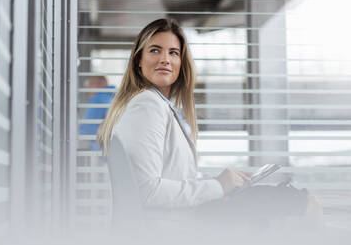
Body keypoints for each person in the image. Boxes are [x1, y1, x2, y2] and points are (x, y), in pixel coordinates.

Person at [97, 18, 318, 228]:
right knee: (302, 204)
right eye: (155, 50)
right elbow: (147, 191)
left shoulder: (158, 105)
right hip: (176, 227)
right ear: (138, 61)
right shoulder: (147, 106)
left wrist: (220, 186)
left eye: (173, 53)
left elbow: (173, 177)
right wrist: (218, 186)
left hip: (187, 216)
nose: (165, 58)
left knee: (291, 205)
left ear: (181, 64)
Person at [79, 76, 115, 150]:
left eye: (89, 87)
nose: (88, 93)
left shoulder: (98, 99)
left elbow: (88, 129)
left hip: (102, 149)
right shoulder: (111, 97)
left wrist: (79, 127)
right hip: (113, 147)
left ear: (97, 85)